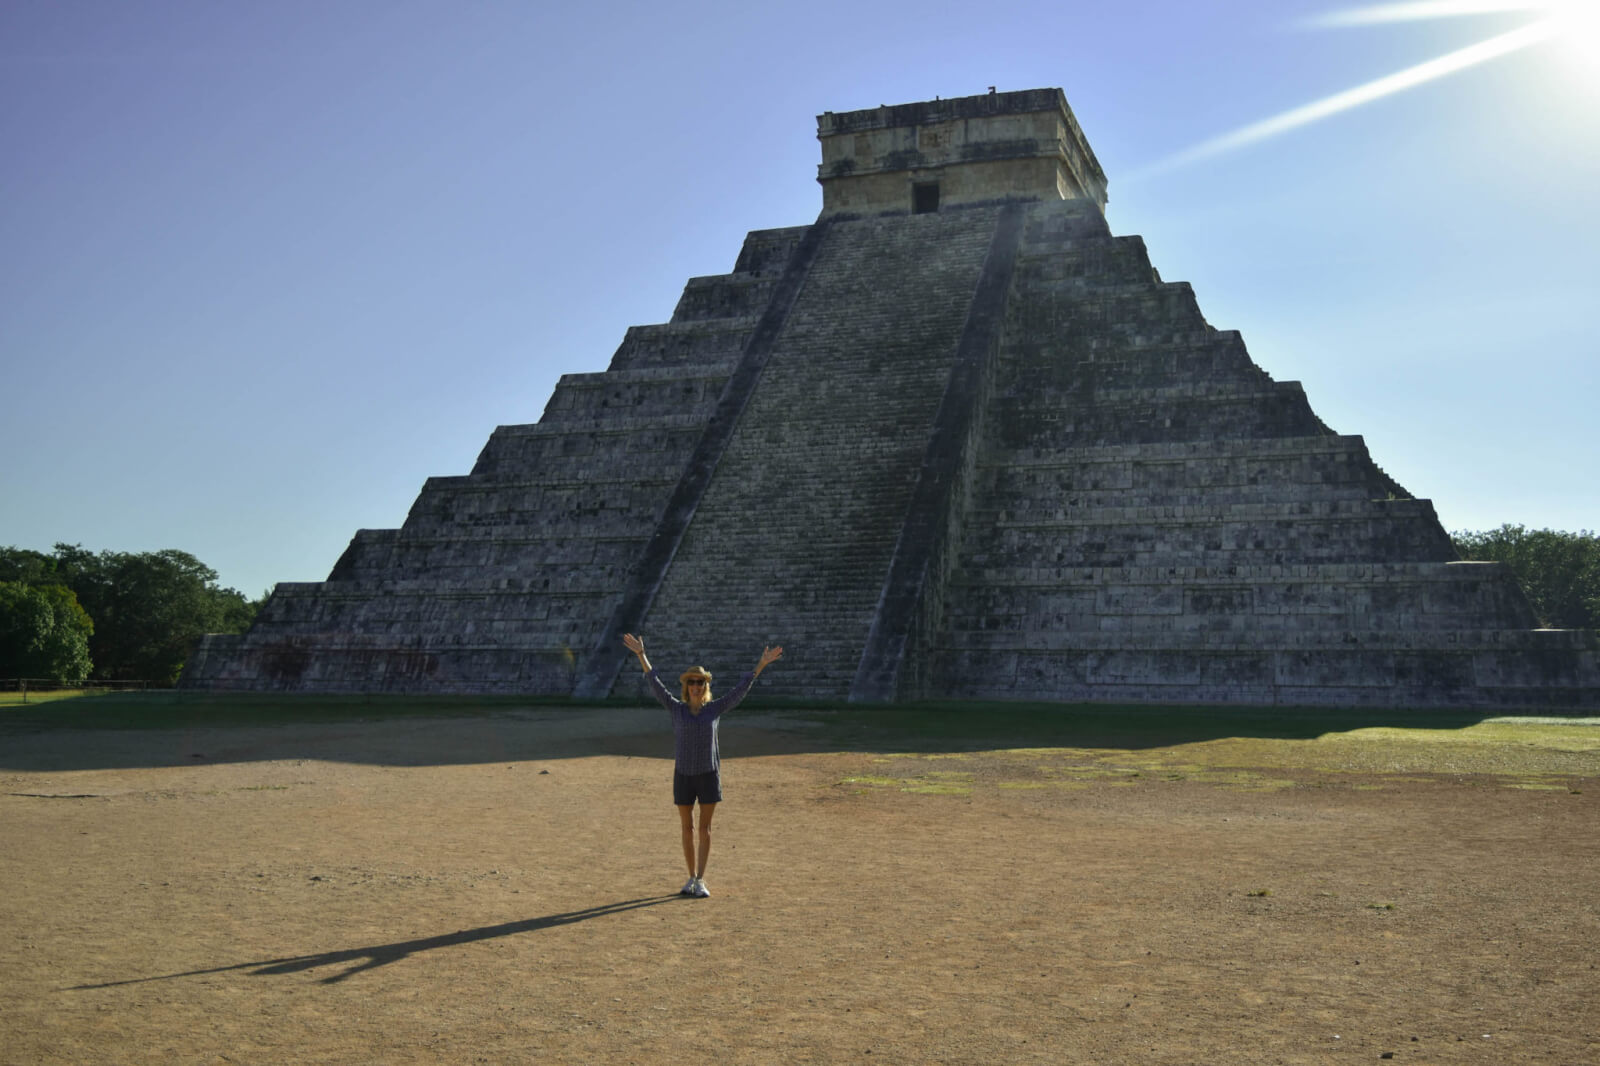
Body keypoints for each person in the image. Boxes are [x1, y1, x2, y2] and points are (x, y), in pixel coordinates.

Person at [620, 632, 783, 899]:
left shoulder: (714, 709)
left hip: (708, 774)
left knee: (705, 829)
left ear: (705, 686)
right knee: (687, 828)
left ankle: (701, 879)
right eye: (692, 682)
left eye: (700, 682)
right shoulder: (677, 709)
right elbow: (655, 683)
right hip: (683, 775)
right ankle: (690, 877)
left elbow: (739, 691)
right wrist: (641, 655)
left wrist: (761, 665)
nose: (696, 686)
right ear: (687, 687)